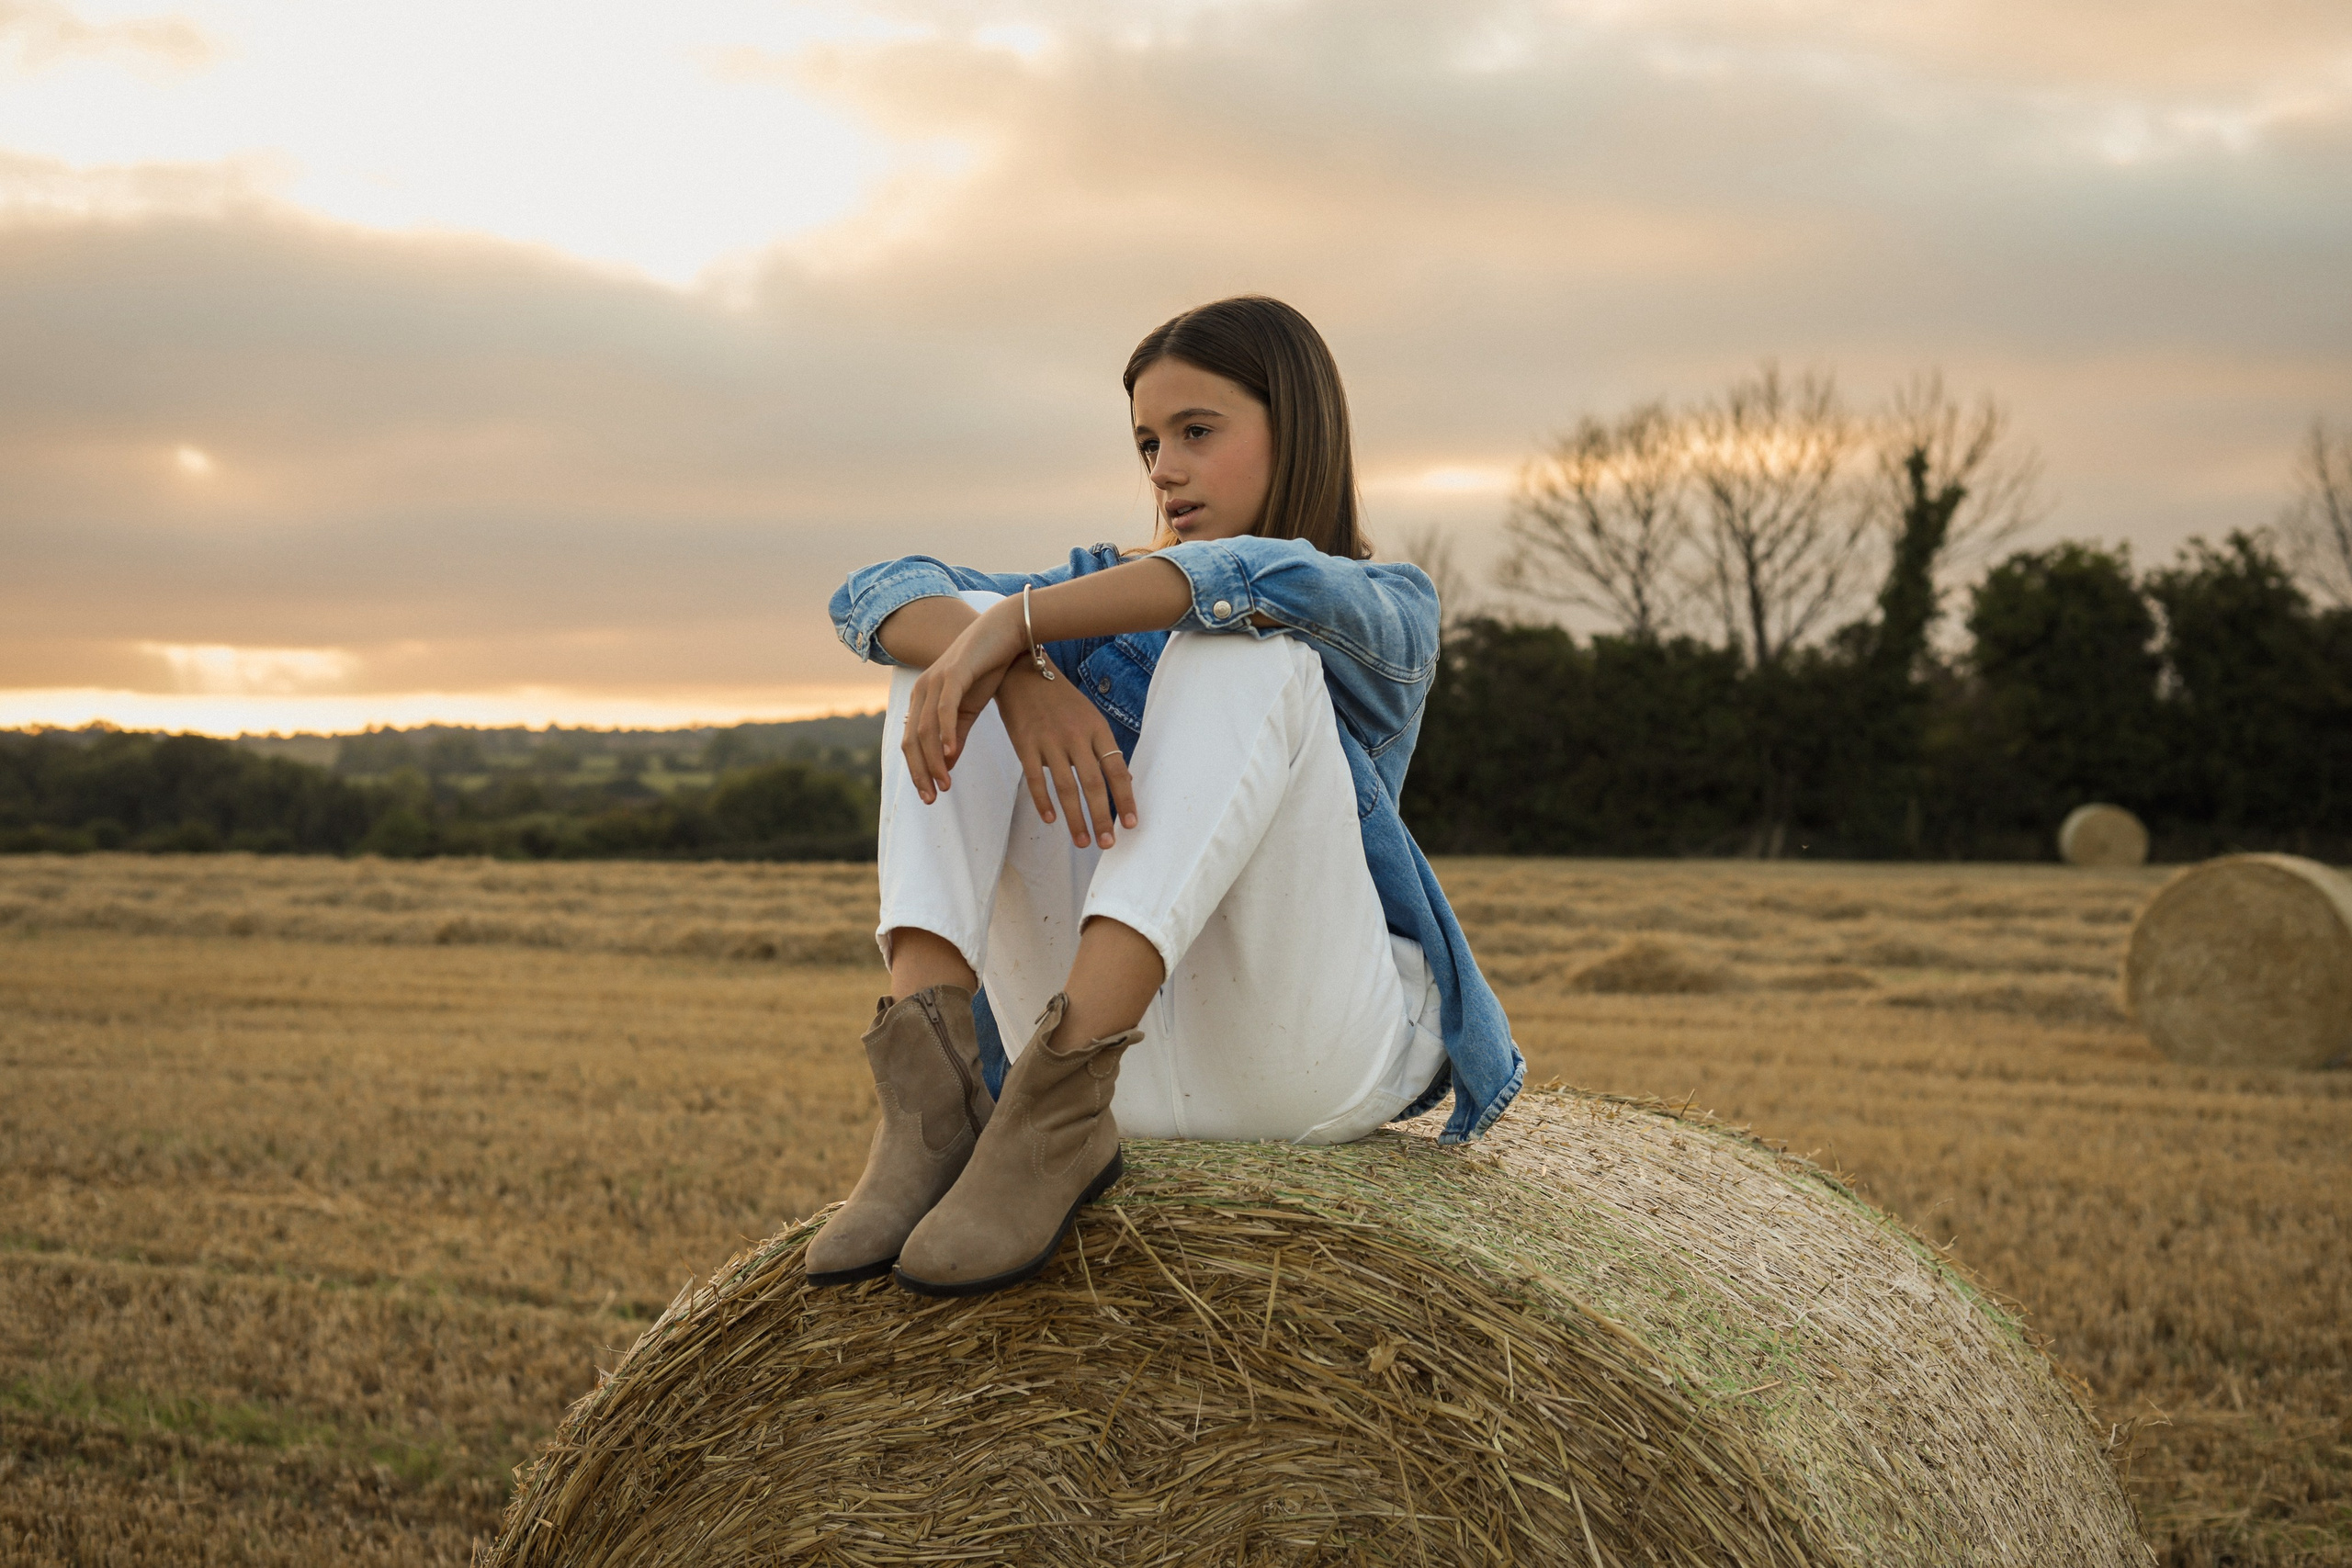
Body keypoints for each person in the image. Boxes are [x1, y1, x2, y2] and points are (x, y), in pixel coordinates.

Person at [814, 295, 1523, 1299]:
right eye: (1148, 442)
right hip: (1122, 1083)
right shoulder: (1085, 595)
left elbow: (1251, 581)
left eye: (1197, 432)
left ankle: (1058, 1084)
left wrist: (1013, 631)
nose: (1163, 469)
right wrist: (1014, 669)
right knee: (942, 644)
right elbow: (873, 592)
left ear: (1296, 428)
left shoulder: (1385, 604)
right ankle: (933, 1115)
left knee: (1243, 646)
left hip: (1306, 1057)